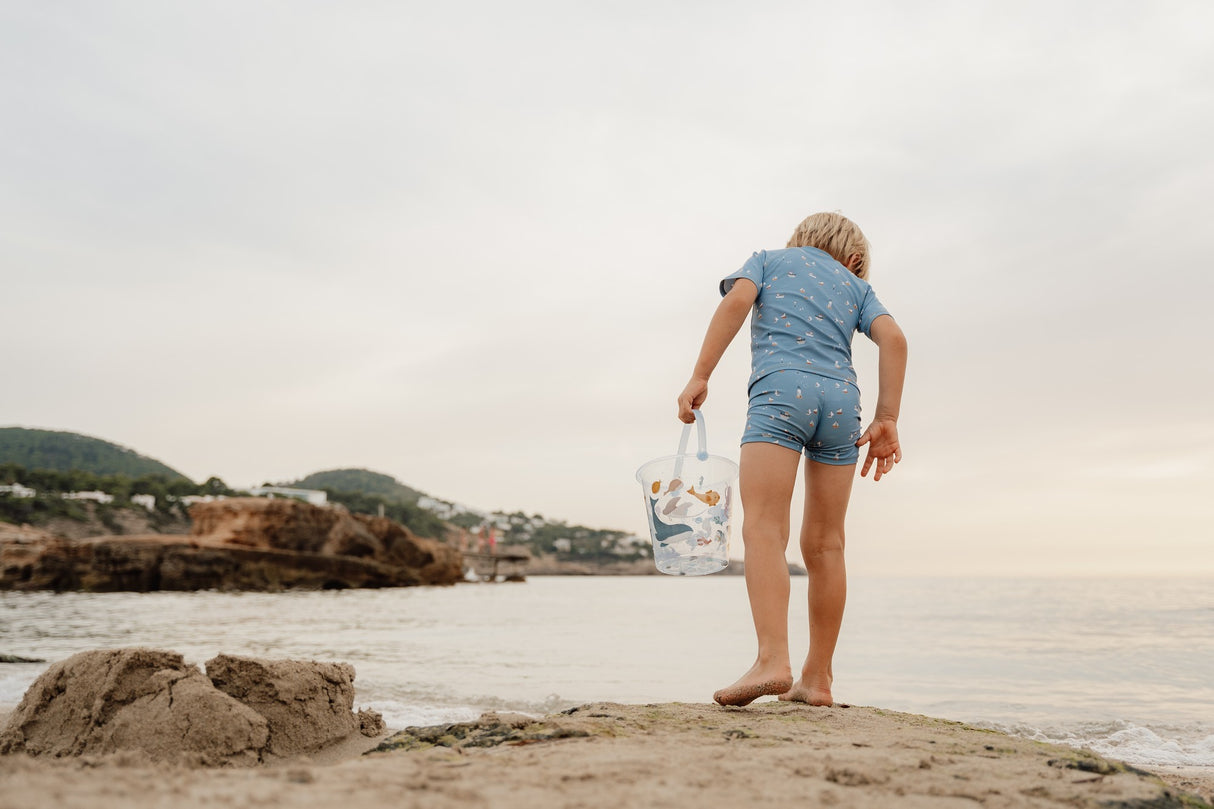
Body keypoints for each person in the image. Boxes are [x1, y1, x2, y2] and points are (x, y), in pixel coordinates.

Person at [677, 212, 907, 707]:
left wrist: (700, 375)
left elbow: (737, 302)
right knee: (826, 545)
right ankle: (818, 678)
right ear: (855, 260)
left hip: (782, 391)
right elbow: (894, 339)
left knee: (763, 527)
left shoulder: (767, 261)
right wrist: (887, 417)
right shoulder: (858, 288)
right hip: (844, 403)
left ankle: (772, 660)